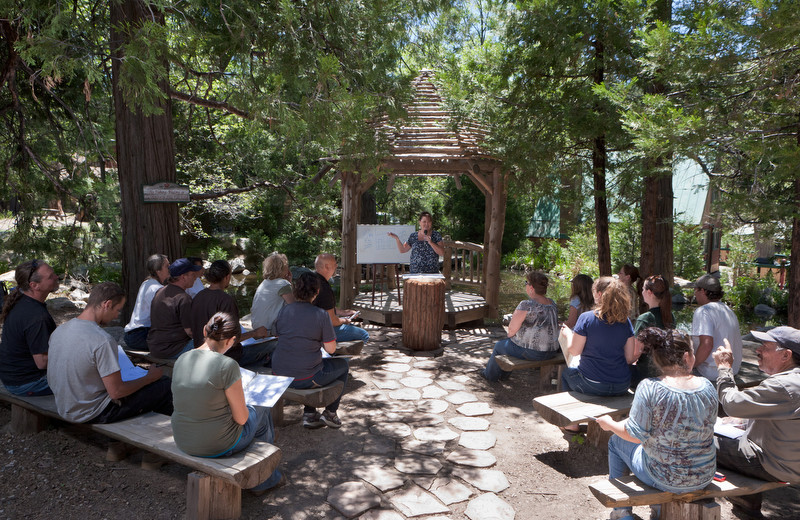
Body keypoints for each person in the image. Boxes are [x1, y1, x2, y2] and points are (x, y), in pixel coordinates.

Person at [597, 328, 717, 520]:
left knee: (615, 441)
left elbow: (634, 436)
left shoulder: (650, 387)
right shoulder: (707, 386)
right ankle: (658, 510)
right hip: (704, 474)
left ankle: (622, 513)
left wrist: (610, 423)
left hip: (664, 477)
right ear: (687, 357)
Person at [171, 312, 282, 494]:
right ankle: (263, 480)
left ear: (204, 331)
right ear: (231, 341)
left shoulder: (182, 358)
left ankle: (263, 470)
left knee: (259, 418)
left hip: (183, 439)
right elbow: (241, 419)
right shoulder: (227, 365)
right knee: (262, 406)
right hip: (218, 444)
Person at [47, 282, 172, 423]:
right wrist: (149, 378)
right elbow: (117, 392)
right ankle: (152, 437)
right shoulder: (102, 340)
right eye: (117, 310)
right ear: (107, 304)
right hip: (94, 412)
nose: (116, 316)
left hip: (65, 407)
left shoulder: (59, 331)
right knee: (165, 385)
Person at [712, 327, 800, 512]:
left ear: (786, 355)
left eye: (765, 346)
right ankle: (746, 503)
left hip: (776, 466)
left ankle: (742, 502)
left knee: (697, 443)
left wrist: (724, 369)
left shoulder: (782, 385)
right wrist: (742, 421)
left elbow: (731, 404)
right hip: (790, 462)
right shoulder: (791, 382)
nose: (758, 350)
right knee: (733, 432)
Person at [273, 272, 349, 429]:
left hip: (279, 372)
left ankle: (310, 414)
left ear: (295, 290)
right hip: (304, 377)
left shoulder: (284, 311)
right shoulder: (320, 315)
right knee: (342, 365)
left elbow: (278, 335)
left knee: (309, 361)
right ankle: (330, 413)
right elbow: (331, 348)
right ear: (317, 292)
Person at [561, 277, 636, 398]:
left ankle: (569, 411)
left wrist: (568, 334)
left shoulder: (586, 318)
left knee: (566, 373)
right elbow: (629, 358)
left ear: (599, 294)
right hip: (622, 385)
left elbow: (574, 351)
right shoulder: (625, 321)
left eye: (594, 291)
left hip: (592, 383)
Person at [190, 260, 271, 367]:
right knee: (272, 346)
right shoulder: (225, 300)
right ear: (227, 277)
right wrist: (255, 333)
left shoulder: (198, 297)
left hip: (201, 353)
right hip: (226, 358)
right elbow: (232, 339)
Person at [481, 271, 559, 381]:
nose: (525, 285)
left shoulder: (526, 304)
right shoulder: (552, 303)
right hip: (552, 351)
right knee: (510, 345)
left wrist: (512, 335)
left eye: (526, 282)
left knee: (500, 346)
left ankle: (490, 376)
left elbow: (511, 331)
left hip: (533, 353)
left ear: (531, 287)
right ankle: (503, 376)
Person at [0, 260, 59, 396]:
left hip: (13, 377)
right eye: (50, 277)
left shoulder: (21, 300)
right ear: (34, 285)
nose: (56, 277)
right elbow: (42, 363)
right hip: (27, 383)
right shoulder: (37, 317)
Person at [147, 258, 202, 359]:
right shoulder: (184, 298)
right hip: (173, 350)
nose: (195, 278)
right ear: (183, 277)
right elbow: (190, 332)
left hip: (155, 347)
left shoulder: (160, 291)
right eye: (192, 274)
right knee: (211, 344)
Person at [691, 273, 742, 380]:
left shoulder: (704, 311)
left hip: (711, 372)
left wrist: (691, 365)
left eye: (695, 290)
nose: (694, 294)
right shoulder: (728, 310)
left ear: (703, 291)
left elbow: (707, 345)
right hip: (733, 369)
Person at [313, 253, 369, 344]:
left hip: (309, 326)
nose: (336, 266)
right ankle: (335, 357)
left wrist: (343, 312)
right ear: (327, 266)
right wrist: (344, 320)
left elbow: (322, 306)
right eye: (335, 264)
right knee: (363, 335)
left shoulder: (312, 280)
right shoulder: (324, 287)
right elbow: (332, 321)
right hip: (320, 331)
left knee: (350, 327)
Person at [631, 275, 675, 383]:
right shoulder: (671, 316)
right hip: (664, 373)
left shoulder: (645, 318)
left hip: (645, 375)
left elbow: (636, 353)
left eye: (643, 289)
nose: (641, 292)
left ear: (649, 292)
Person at [122, 254, 169, 350]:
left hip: (132, 334)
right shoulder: (157, 288)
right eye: (167, 266)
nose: (170, 268)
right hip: (141, 335)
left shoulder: (147, 283)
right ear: (158, 271)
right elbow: (161, 316)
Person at [251, 252, 295, 334]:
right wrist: (290, 283)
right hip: (269, 329)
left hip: (257, 328)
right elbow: (294, 306)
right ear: (282, 268)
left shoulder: (265, 282)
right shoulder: (282, 284)